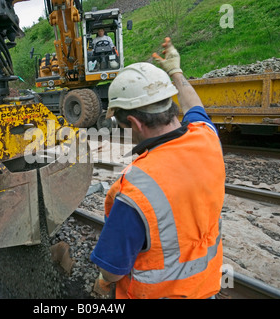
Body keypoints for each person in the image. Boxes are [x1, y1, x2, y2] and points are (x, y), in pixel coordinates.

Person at [90, 37, 226, 299]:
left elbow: (113, 271)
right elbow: (195, 107)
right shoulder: (207, 138)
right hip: (205, 288)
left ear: (134, 123)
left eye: (122, 126)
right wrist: (175, 71)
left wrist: (103, 280)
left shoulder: (135, 188)